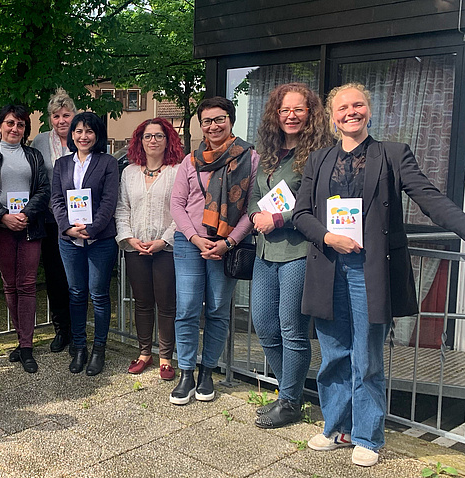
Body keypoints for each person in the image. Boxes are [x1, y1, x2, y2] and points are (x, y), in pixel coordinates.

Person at [292, 82, 465, 467]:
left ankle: (368, 435)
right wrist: (329, 236)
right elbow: (301, 214)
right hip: (328, 267)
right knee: (334, 354)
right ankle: (335, 426)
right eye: (342, 108)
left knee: (366, 356)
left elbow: (431, 198)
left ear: (369, 110)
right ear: (332, 118)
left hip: (370, 272)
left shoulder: (392, 155)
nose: (351, 112)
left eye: (358, 105)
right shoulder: (318, 160)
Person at [248, 83, 333, 428]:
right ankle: (288, 392)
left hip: (299, 252)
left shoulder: (321, 154)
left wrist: (278, 219)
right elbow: (256, 193)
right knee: (265, 325)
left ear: (310, 113)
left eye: (298, 109)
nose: (291, 116)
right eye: (284, 110)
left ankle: (289, 401)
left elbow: (321, 205)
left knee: (292, 329)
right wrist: (256, 215)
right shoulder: (270, 152)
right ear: (275, 115)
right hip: (266, 251)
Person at [169, 96, 258, 405]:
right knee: (188, 308)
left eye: (219, 119)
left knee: (218, 309)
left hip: (227, 245)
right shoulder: (190, 161)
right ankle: (186, 373)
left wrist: (228, 242)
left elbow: (252, 208)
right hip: (190, 243)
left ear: (230, 120)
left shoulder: (250, 158)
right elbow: (177, 204)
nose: (213, 125)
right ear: (201, 125)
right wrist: (195, 238)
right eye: (207, 121)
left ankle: (208, 371)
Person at [0, 105, 50, 374]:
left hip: (30, 226)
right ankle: (22, 340)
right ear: (0, 126)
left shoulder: (33, 155)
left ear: (25, 130)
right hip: (0, 227)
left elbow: (43, 189)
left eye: (20, 125)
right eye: (10, 123)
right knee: (10, 285)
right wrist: (4, 216)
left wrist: (26, 214)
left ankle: (27, 347)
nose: (14, 129)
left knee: (28, 284)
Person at [50, 112, 119, 376]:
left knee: (99, 295)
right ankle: (79, 347)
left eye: (89, 131)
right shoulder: (62, 164)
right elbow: (56, 200)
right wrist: (68, 228)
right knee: (76, 293)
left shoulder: (107, 162)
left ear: (97, 135)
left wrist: (90, 229)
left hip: (99, 240)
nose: (83, 136)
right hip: (69, 240)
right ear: (72, 135)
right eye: (78, 131)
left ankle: (99, 349)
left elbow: (109, 201)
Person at [115, 118, 182, 381]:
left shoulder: (177, 171)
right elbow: (122, 209)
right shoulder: (129, 172)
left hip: (165, 248)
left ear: (168, 141)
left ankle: (166, 358)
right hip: (136, 248)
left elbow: (182, 211)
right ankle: (144, 353)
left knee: (166, 305)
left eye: (158, 136)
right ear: (139, 141)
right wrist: (129, 239)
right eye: (147, 136)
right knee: (142, 303)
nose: (152, 140)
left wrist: (164, 240)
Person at [30, 88, 75, 352]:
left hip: (78, 219)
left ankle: (78, 330)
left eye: (66, 115)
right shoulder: (40, 141)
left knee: (76, 277)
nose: (61, 120)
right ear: (50, 118)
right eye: (56, 116)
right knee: (55, 276)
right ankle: (61, 330)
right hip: (50, 218)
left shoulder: (82, 137)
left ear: (74, 115)